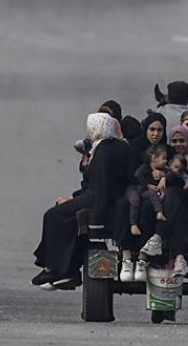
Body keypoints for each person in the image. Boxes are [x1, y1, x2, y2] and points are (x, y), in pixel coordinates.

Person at [33, 112, 129, 290]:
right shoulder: (116, 146)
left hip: (97, 200)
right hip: (99, 197)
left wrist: (97, 216)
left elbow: (101, 186)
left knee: (54, 216)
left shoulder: (103, 150)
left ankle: (58, 269)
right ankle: (62, 269)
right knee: (65, 215)